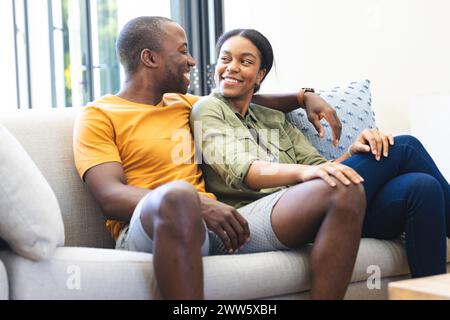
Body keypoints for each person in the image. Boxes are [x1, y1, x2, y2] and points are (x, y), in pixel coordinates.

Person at [72, 16, 342, 300]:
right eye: (182, 50)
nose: (191, 60)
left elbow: (244, 96)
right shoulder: (98, 115)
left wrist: (304, 97)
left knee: (333, 189)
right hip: (149, 230)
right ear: (150, 58)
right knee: (178, 196)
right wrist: (197, 204)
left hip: (211, 228)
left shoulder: (184, 104)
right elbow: (110, 197)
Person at [191, 28, 450, 297]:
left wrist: (353, 152)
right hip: (261, 210)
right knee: (405, 146)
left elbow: (321, 166)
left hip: (321, 205)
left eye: (245, 62)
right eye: (225, 59)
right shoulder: (207, 109)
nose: (231, 68)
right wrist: (308, 172)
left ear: (260, 75)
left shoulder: (273, 118)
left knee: (421, 187)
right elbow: (245, 171)